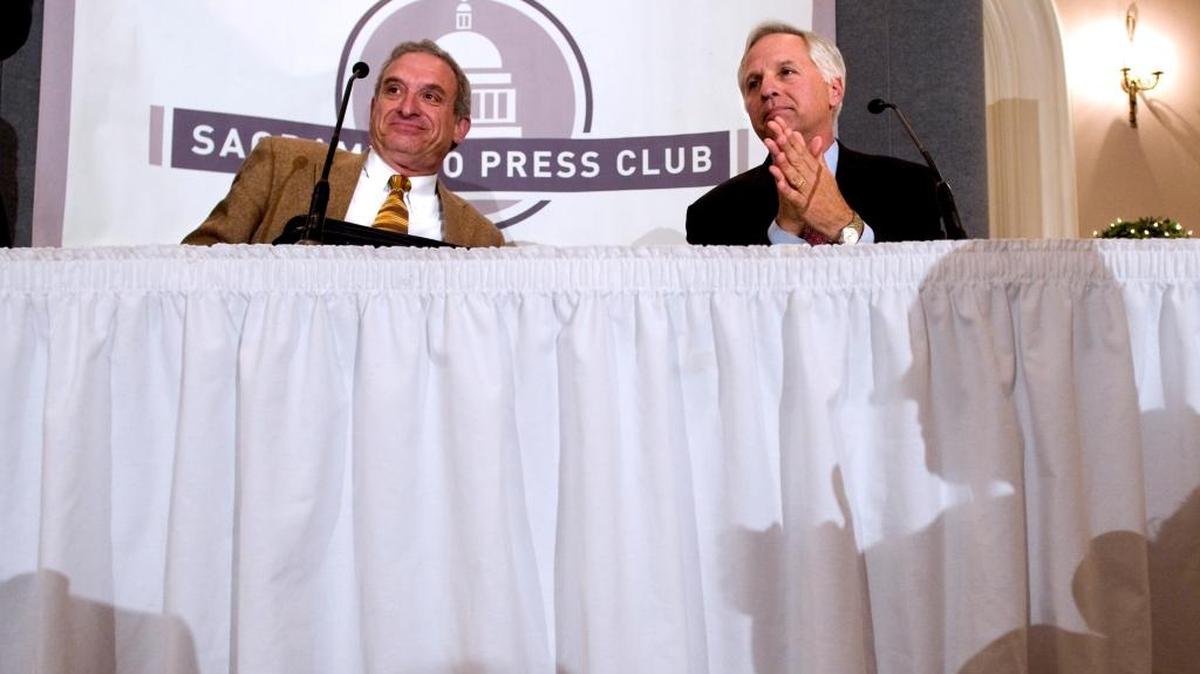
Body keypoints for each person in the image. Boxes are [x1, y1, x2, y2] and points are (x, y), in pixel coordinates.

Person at [183, 40, 503, 247]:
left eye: (430, 96)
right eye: (393, 90)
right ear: (373, 108)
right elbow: (195, 266)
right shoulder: (282, 165)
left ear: (460, 127)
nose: (407, 108)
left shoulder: (481, 239)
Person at [686, 22, 945, 246]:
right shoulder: (713, 213)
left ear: (834, 89)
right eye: (753, 83)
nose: (766, 90)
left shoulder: (909, 187)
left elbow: (923, 293)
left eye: (786, 72)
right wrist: (784, 234)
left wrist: (844, 225)